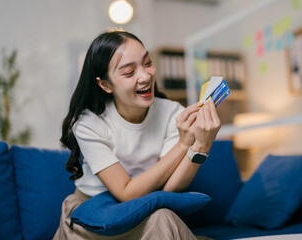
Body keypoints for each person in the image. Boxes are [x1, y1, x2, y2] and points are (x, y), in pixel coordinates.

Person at [53, 30, 221, 240]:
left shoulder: (172, 113)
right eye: (129, 72)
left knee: (163, 218)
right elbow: (126, 192)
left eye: (147, 62)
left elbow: (168, 190)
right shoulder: (89, 123)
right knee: (163, 220)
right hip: (92, 215)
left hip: (144, 210)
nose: (145, 75)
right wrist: (183, 144)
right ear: (105, 84)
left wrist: (200, 148)